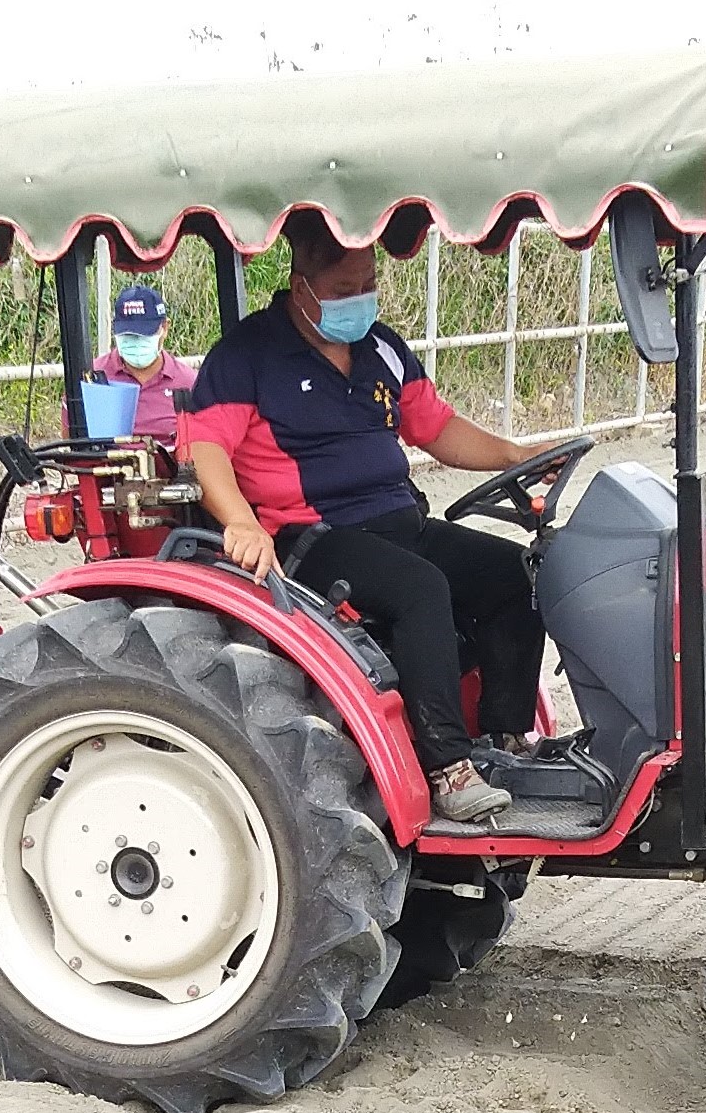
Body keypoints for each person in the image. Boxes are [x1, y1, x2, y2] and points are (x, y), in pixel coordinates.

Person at [179, 215, 540, 828]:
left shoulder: (382, 349)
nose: (361, 300)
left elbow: (436, 427)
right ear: (302, 290)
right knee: (421, 588)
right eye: (347, 290)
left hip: (399, 521)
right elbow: (203, 447)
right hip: (311, 539)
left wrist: (516, 455)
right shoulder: (248, 356)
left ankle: (502, 739)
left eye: (369, 283)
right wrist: (240, 521)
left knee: (515, 573)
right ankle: (447, 768)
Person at [90, 280, 198, 437]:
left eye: (144, 334)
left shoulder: (188, 383)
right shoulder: (92, 379)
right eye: (128, 335)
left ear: (165, 328)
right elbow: (73, 445)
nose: (136, 342)